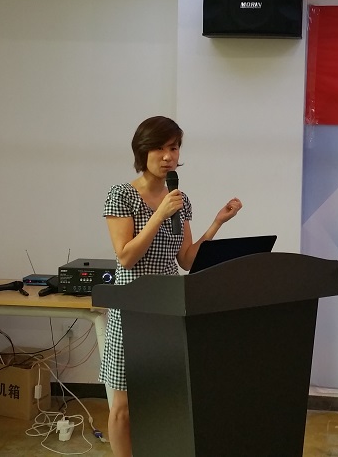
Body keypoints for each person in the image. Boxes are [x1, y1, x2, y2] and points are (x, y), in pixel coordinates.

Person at [100, 115, 242, 457]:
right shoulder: (122, 195)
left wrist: (217, 223)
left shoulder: (179, 199)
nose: (168, 156)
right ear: (142, 150)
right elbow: (125, 257)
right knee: (124, 406)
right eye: (160, 148)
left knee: (165, 399)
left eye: (174, 148)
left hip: (168, 307)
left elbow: (187, 260)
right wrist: (158, 215)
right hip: (132, 307)